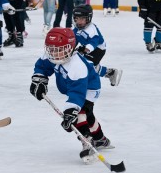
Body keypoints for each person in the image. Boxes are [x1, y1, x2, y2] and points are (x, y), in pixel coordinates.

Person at [30, 27, 114, 163]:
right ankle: (100, 139)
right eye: (51, 49)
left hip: (89, 87)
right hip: (74, 87)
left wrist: (70, 112)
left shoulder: (77, 66)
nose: (54, 53)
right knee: (89, 116)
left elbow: (77, 93)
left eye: (58, 50)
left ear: (70, 48)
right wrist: (39, 80)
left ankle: (87, 140)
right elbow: (42, 66)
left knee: (80, 113)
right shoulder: (54, 53)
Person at [72, 4, 122, 86]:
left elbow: (94, 41)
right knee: (90, 66)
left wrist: (87, 48)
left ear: (88, 19)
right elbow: (75, 38)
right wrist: (71, 46)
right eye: (77, 19)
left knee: (87, 65)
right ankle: (111, 73)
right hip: (86, 48)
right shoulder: (77, 28)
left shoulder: (91, 30)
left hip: (98, 49)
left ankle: (85, 82)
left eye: (82, 19)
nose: (79, 22)